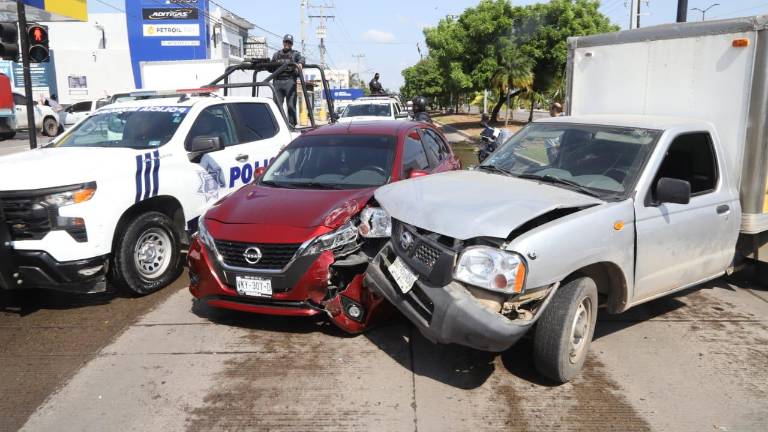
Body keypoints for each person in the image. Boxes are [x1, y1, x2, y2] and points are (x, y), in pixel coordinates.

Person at [271, 34, 304, 126]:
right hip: (277, 82)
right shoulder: (276, 55)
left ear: (292, 44)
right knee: (277, 105)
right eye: (286, 42)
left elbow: (302, 58)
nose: (287, 44)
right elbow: (270, 67)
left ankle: (292, 125)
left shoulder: (295, 54)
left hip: (290, 81)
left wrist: (300, 63)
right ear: (283, 42)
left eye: (289, 43)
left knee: (291, 105)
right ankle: (280, 125)